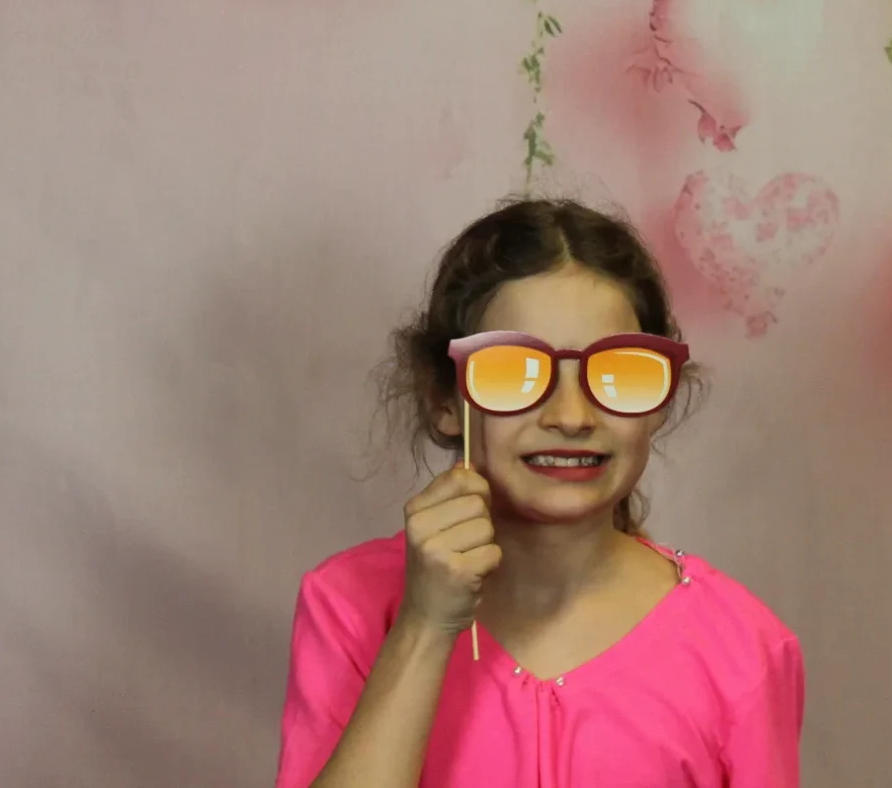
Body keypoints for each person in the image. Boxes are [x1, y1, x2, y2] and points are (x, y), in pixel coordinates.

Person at [274, 198, 805, 788]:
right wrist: (425, 626)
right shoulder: (347, 604)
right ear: (445, 399)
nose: (572, 417)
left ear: (661, 402)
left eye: (619, 373)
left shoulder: (742, 647)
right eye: (513, 372)